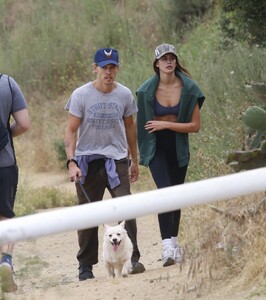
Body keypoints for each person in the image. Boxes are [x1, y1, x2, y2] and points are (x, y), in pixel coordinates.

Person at [64, 47, 145, 281]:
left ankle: (133, 258)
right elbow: (70, 130)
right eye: (104, 67)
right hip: (87, 159)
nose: (108, 72)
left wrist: (134, 160)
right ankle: (85, 266)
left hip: (116, 159)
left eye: (112, 67)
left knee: (126, 207)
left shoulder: (125, 95)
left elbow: (130, 127)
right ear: (95, 68)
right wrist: (72, 162)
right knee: (88, 213)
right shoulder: (81, 95)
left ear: (117, 68)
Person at [136, 44, 205, 267]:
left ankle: (174, 243)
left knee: (177, 195)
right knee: (165, 192)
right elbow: (142, 126)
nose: (168, 62)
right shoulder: (146, 90)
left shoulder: (189, 88)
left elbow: (195, 126)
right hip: (156, 147)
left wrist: (165, 123)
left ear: (176, 61)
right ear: (156, 64)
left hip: (178, 146)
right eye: (164, 58)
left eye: (172, 58)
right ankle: (166, 245)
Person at [0, 74, 30, 292]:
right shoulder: (8, 83)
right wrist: (5, 137)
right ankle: (6, 261)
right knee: (5, 216)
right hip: (5, 162)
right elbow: (24, 124)